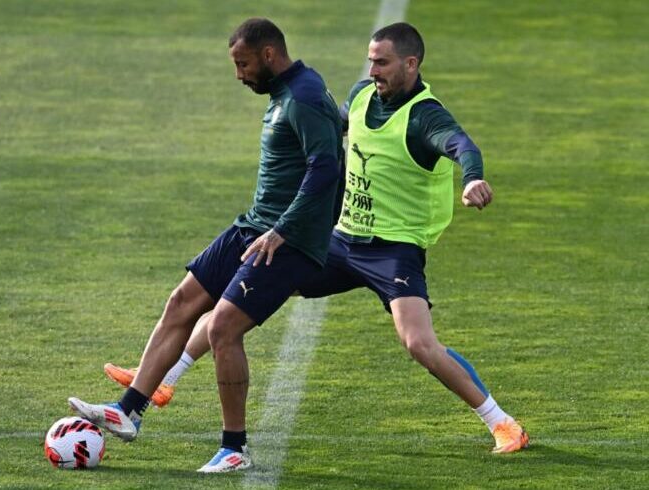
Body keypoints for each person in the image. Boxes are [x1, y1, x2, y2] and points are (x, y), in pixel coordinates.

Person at [104, 21, 529, 462]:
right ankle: (164, 378)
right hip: (340, 238)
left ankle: (501, 422)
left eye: (381, 62)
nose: (373, 68)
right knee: (244, 292)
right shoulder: (363, 94)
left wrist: (473, 178)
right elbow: (336, 127)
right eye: (370, 59)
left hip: (393, 250)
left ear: (411, 63)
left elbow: (462, 144)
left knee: (418, 343)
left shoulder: (425, 115)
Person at [68, 17, 344, 473]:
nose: (239, 75)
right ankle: (129, 409)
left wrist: (285, 230)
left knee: (222, 330)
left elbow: (325, 169)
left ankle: (234, 447)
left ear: (269, 55)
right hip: (254, 226)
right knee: (182, 302)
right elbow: (331, 135)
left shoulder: (304, 96)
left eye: (243, 64)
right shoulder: (291, 92)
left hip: (283, 242)